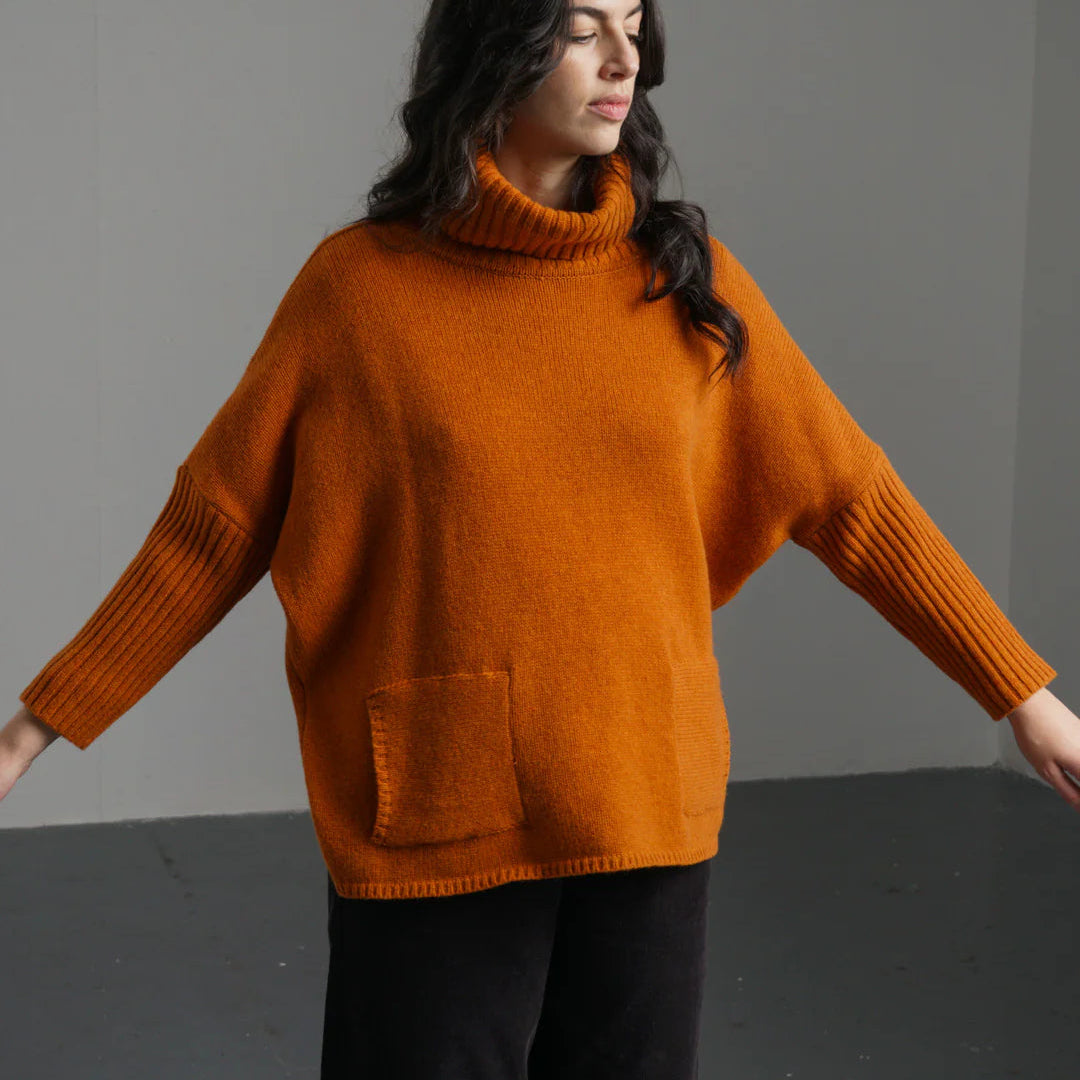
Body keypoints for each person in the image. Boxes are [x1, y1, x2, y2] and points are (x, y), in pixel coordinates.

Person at [3, 0, 1079, 1077]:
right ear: (494, 52)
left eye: (632, 22)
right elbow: (216, 530)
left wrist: (1021, 698)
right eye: (579, 29)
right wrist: (33, 729)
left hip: (646, 802)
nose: (623, 60)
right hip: (441, 817)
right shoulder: (359, 293)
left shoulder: (684, 282)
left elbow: (852, 498)